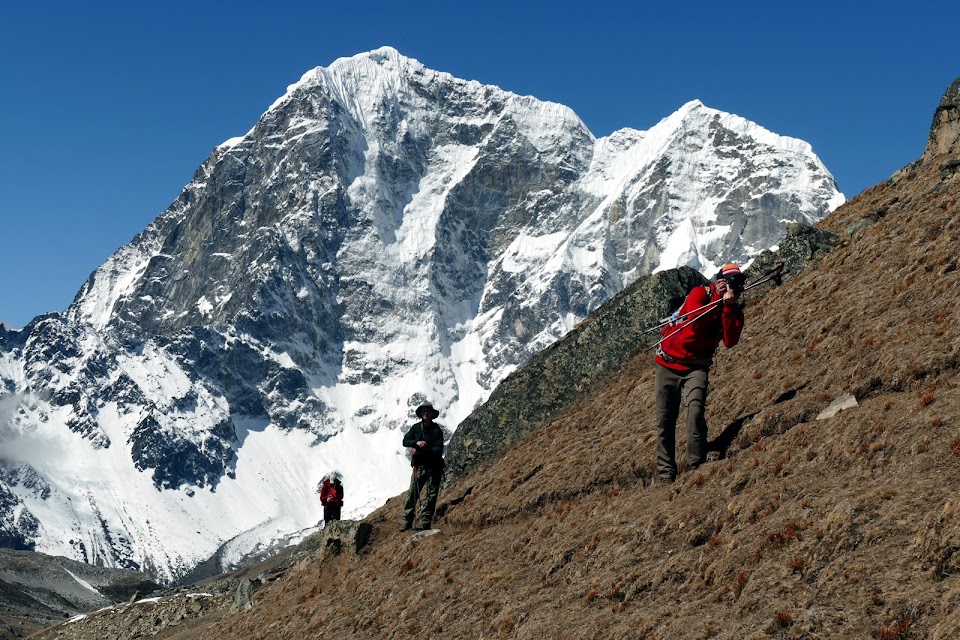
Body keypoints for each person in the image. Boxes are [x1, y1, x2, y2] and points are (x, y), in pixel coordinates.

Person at [654, 263, 745, 483]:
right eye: (729, 281)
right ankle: (666, 473)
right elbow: (694, 324)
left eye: (737, 282)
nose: (732, 286)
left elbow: (730, 341)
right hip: (668, 363)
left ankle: (695, 465)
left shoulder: (732, 309)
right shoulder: (700, 293)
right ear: (719, 280)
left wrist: (728, 308)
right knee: (665, 419)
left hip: (696, 367)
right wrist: (717, 300)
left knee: (694, 412)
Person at [400, 403, 446, 531]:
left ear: (432, 414)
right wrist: (416, 443)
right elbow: (405, 441)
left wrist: (421, 450)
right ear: (421, 414)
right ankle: (407, 521)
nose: (425, 413)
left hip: (434, 466)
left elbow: (438, 449)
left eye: (427, 411)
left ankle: (425, 522)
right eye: (423, 411)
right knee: (412, 494)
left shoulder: (436, 430)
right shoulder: (416, 428)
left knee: (431, 495)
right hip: (420, 466)